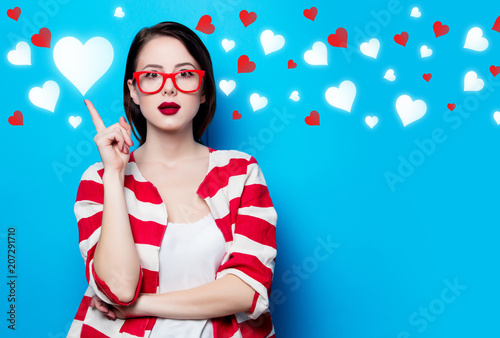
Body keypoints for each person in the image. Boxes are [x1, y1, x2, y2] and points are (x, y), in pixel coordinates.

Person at [67, 21, 278, 337]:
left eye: (185, 74)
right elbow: (119, 290)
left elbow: (246, 290)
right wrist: (114, 174)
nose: (169, 87)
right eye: (151, 75)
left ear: (204, 91)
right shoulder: (99, 179)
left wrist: (141, 306)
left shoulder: (240, 172)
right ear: (134, 91)